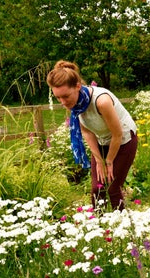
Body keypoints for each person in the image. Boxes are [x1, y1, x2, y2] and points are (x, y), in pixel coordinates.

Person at [46, 60, 137, 211]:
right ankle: (99, 226)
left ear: (77, 86)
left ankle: (123, 229)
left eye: (65, 96)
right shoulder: (74, 102)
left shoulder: (101, 101)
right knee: (97, 189)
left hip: (123, 141)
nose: (62, 102)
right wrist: (98, 159)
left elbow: (117, 134)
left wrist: (108, 162)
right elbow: (87, 131)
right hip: (102, 141)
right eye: (58, 98)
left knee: (113, 188)